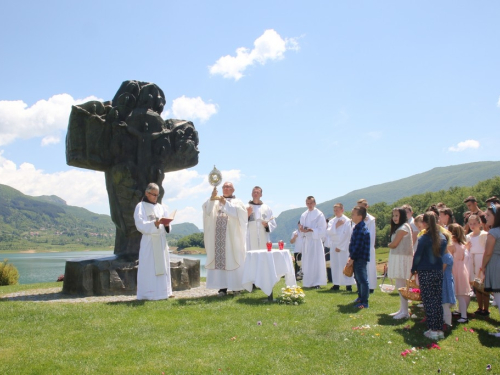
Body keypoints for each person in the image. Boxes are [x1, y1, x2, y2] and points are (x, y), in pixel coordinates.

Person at [203, 182, 248, 296]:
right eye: (224, 187)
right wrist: (212, 198)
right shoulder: (215, 200)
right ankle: (222, 288)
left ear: (233, 189)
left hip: (232, 236)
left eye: (228, 187)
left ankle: (236, 287)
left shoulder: (238, 202)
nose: (225, 188)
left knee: (233, 258)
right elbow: (207, 210)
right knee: (221, 260)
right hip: (218, 236)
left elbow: (241, 214)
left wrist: (225, 203)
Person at [411, 212, 447, 340]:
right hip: (437, 270)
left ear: (424, 223)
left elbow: (418, 256)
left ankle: (432, 328)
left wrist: (413, 268)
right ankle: (438, 328)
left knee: (428, 300)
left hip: (426, 271)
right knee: (437, 300)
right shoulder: (442, 237)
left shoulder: (424, 238)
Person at [134, 183, 173, 300]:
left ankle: (164, 292)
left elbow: (168, 226)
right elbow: (139, 224)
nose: (155, 197)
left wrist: (166, 224)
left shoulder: (161, 207)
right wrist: (153, 224)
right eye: (153, 194)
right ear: (147, 193)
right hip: (149, 241)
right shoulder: (140, 206)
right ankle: (148, 294)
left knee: (163, 266)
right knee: (149, 268)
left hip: (160, 241)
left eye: (157, 195)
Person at [387, 208, 414, 319]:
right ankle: (402, 309)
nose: (394, 218)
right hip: (398, 257)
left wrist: (389, 244)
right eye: (393, 215)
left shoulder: (403, 228)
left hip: (402, 258)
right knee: (400, 284)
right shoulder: (400, 228)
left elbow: (394, 244)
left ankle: (405, 311)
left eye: (397, 215)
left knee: (402, 284)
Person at [299, 196, 327, 289]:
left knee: (316, 261)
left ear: (314, 203)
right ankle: (307, 282)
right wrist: (302, 229)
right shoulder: (304, 214)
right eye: (308, 203)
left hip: (315, 240)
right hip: (307, 240)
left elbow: (322, 228)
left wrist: (312, 230)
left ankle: (317, 282)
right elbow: (301, 226)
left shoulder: (319, 214)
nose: (309, 205)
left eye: (311, 203)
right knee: (307, 261)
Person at [326, 203, 353, 291]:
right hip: (334, 244)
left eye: (337, 210)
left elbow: (347, 234)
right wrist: (336, 225)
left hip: (343, 245)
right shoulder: (332, 221)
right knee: (335, 265)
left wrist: (340, 246)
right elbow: (329, 232)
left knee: (344, 264)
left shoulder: (347, 221)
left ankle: (348, 285)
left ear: (342, 210)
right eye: (334, 210)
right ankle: (336, 283)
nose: (336, 212)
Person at [347, 205, 371, 308]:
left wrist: (352, 258)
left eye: (353, 214)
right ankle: (360, 297)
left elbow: (357, 246)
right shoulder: (357, 227)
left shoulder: (361, 229)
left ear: (360, 216)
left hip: (360, 258)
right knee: (357, 278)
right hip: (357, 257)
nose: (351, 216)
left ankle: (364, 302)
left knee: (362, 279)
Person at [466, 215, 490, 315]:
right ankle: (480, 307)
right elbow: (467, 249)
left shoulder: (484, 235)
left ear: (480, 224)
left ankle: (486, 308)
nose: (472, 226)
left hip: (481, 259)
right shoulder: (468, 236)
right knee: (477, 285)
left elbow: (487, 249)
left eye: (474, 223)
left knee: (484, 286)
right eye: (470, 224)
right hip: (472, 260)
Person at [482, 203, 500, 337]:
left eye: (488, 215)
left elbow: (488, 252)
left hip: (495, 264)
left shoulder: (493, 232)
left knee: (499, 297)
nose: (485, 217)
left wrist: (483, 266)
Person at [448, 223, 471, 323]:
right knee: (461, 293)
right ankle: (462, 312)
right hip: (462, 268)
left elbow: (449, 258)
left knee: (459, 294)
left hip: (455, 269)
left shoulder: (451, 245)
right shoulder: (462, 244)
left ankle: (464, 316)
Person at [246, 186, 277, 250]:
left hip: (263, 235)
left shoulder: (267, 208)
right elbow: (240, 221)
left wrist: (267, 225)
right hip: (250, 237)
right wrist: (247, 215)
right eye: (254, 192)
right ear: (251, 194)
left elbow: (273, 223)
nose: (255, 193)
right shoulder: (246, 207)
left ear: (261, 195)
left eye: (258, 192)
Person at [357, 199, 377, 293]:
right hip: (359, 247)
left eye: (362, 206)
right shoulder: (357, 218)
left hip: (367, 247)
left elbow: (371, 235)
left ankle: (371, 286)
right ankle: (361, 286)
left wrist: (367, 246)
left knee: (369, 267)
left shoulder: (371, 219)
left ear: (366, 206)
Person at [442, 247, 456, 329]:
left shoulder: (446, 256)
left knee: (445, 303)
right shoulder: (446, 255)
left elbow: (442, 269)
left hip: (445, 281)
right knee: (443, 303)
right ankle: (444, 320)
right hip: (446, 280)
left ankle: (447, 323)